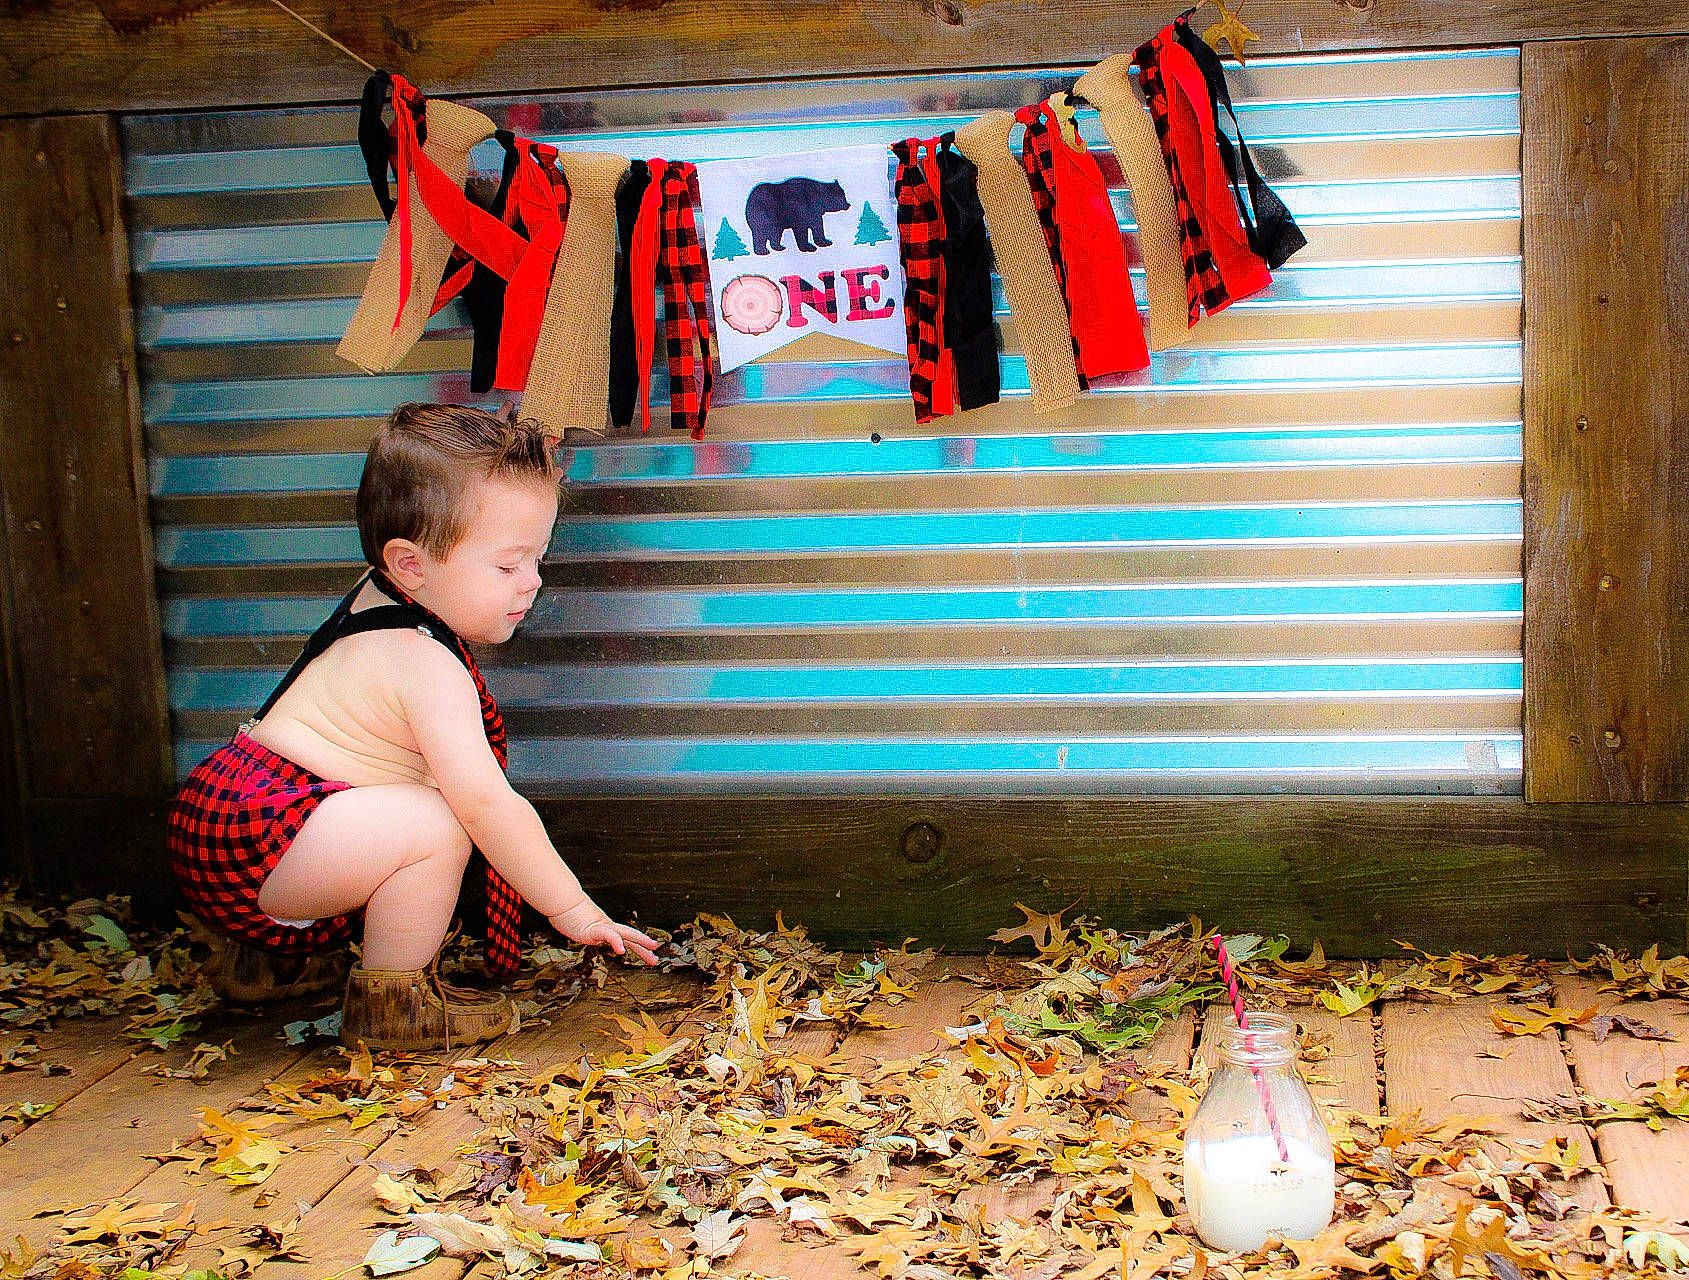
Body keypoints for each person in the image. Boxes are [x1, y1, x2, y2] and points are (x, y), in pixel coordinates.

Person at [167, 403, 658, 1051]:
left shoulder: (376, 597)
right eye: (508, 565)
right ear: (411, 564)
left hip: (232, 812)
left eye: (537, 559)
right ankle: (394, 1003)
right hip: (263, 839)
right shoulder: (422, 661)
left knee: (394, 814)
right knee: (439, 821)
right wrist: (568, 907)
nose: (532, 583)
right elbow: (486, 802)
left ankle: (267, 962)